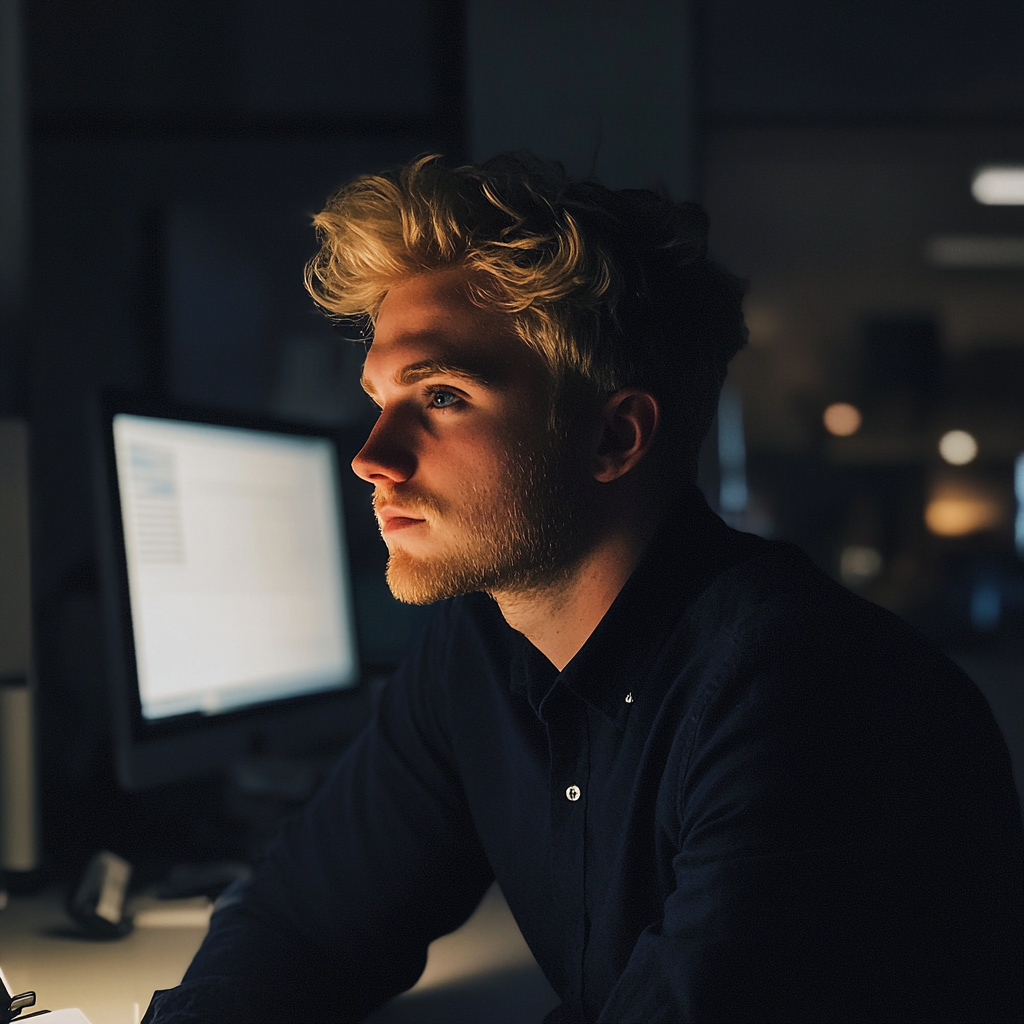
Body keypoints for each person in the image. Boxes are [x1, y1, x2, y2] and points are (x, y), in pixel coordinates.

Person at [144, 154, 1023, 1023]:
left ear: (614, 438)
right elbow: (303, 923)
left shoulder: (803, 693)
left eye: (442, 396)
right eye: (379, 400)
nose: (371, 457)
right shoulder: (483, 650)